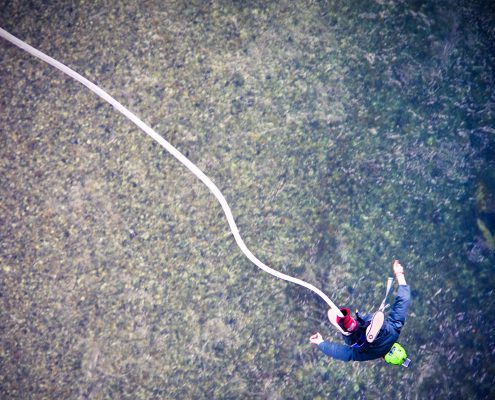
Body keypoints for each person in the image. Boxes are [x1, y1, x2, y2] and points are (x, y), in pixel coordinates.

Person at [309, 260, 411, 362]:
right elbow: (344, 354)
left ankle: (352, 327)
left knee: (363, 326)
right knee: (354, 341)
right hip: (364, 341)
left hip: (376, 327)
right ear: (384, 358)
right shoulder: (368, 356)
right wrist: (321, 343)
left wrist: (399, 274)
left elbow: (403, 302)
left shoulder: (395, 329)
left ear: (397, 346)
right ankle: (346, 328)